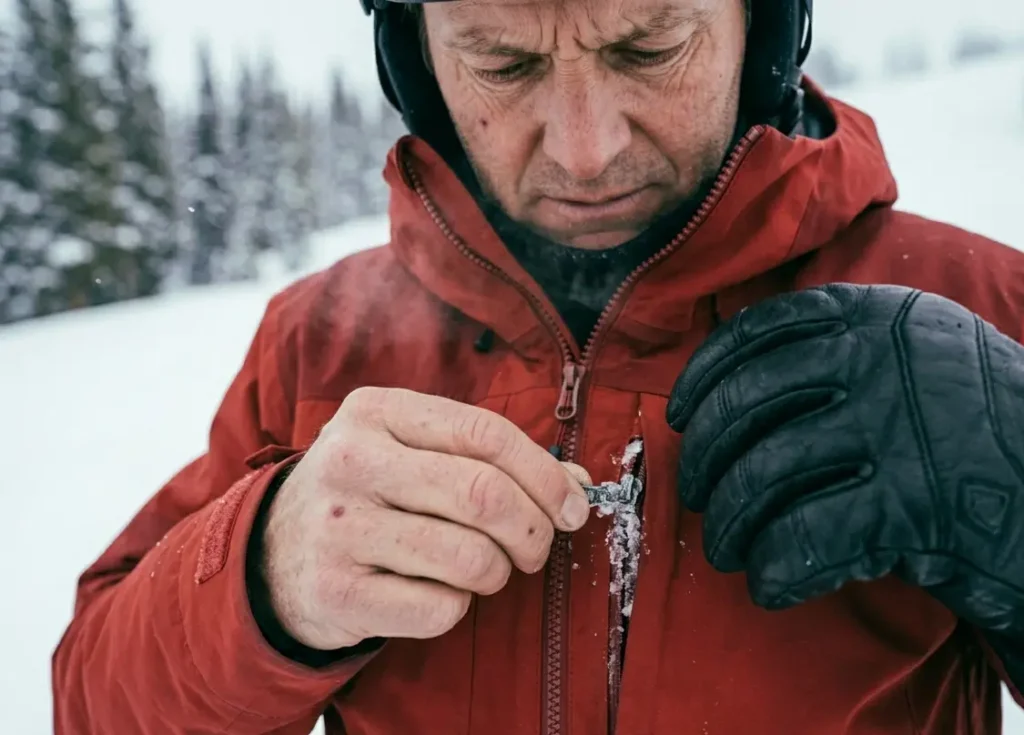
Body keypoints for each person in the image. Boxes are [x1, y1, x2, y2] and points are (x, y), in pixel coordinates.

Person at [51, 0, 1024, 732]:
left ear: (763, 30)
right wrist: (262, 578)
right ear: (419, 63)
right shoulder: (319, 341)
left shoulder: (977, 302)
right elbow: (92, 701)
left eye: (648, 48)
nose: (586, 149)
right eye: (502, 63)